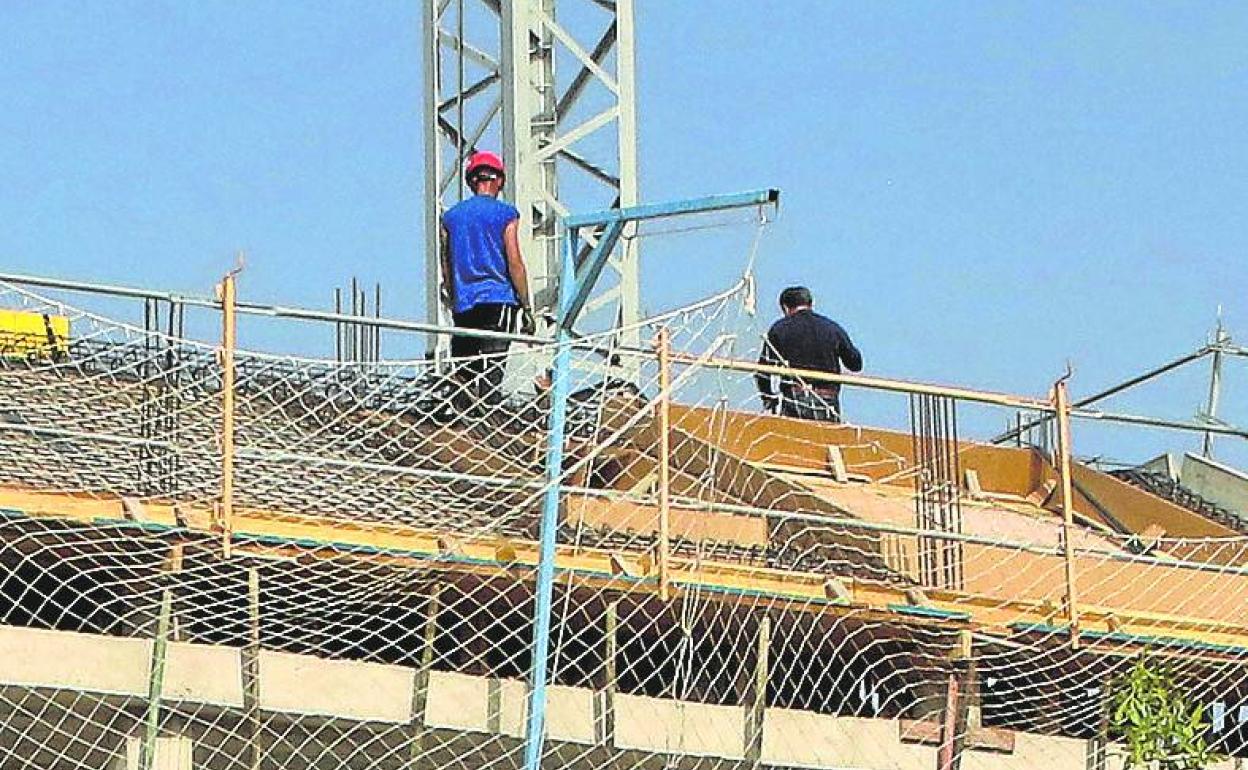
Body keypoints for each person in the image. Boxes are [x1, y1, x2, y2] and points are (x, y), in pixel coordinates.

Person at [440, 150, 535, 403]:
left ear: (471, 181)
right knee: (492, 376)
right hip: (498, 300)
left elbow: (446, 266)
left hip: (465, 303)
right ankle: (489, 428)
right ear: (499, 181)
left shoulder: (451, 217)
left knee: (465, 374)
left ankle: (463, 425)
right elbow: (514, 261)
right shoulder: (506, 214)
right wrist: (526, 306)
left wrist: (453, 296)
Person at [755, 286, 862, 423]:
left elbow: (763, 371)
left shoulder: (780, 329)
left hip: (795, 398)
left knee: (794, 441)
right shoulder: (832, 328)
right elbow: (855, 364)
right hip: (827, 401)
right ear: (811, 304)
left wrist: (769, 398)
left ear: (785, 308)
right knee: (825, 441)